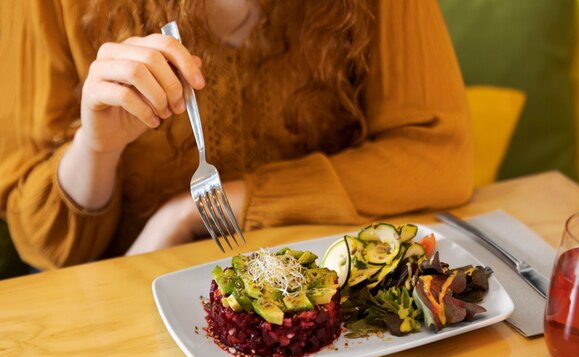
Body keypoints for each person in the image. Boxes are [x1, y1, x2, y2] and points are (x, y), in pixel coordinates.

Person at [0, 0, 473, 271]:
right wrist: (97, 147)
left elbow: (438, 157)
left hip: (329, 303)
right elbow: (45, 247)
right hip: (129, 324)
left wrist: (208, 207)